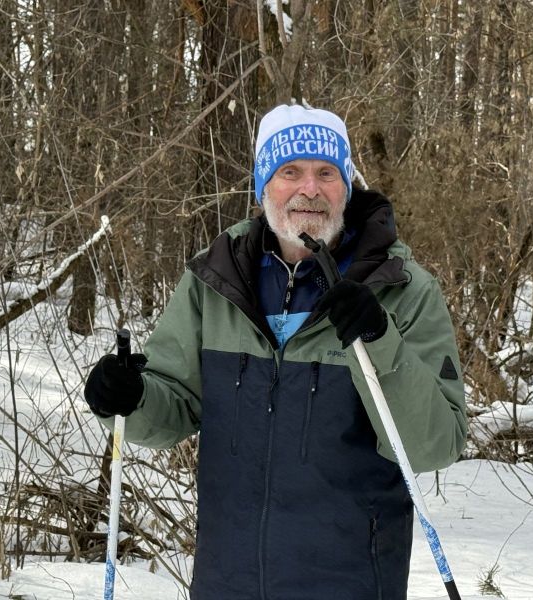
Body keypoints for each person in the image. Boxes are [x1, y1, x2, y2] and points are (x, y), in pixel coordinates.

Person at [84, 104, 467, 599]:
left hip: (349, 585)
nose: (310, 189)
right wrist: (128, 397)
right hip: (228, 584)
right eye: (291, 172)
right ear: (262, 184)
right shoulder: (215, 280)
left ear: (346, 187)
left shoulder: (402, 289)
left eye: (326, 173)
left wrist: (378, 338)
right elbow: (173, 404)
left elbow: (434, 445)